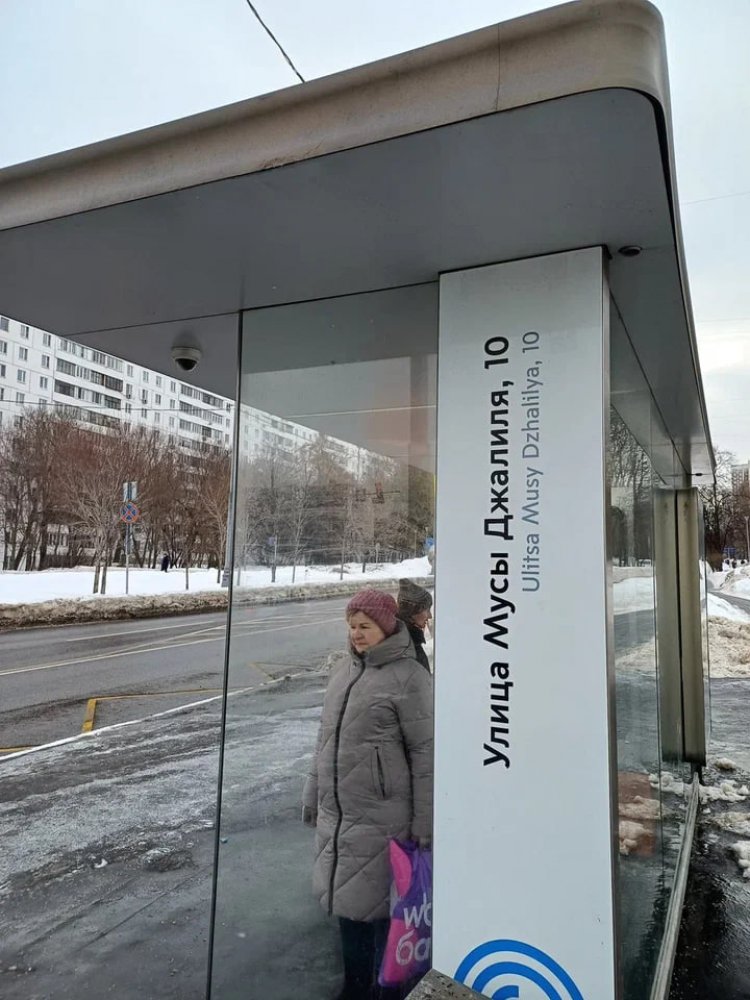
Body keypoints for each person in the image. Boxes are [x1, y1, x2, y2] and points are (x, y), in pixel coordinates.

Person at [302, 588, 433, 1000]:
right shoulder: (343, 671)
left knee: (383, 915)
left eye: (365, 626)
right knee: (347, 905)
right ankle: (354, 987)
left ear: (386, 626)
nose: (357, 634)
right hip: (340, 814)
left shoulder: (410, 677)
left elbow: (426, 754)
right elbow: (325, 739)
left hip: (384, 817)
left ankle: (384, 991)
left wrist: (425, 822)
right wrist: (313, 790)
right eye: (352, 626)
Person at [396, 579, 433, 673]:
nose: (430, 616)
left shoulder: (403, 639)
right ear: (412, 612)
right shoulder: (408, 646)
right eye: (427, 610)